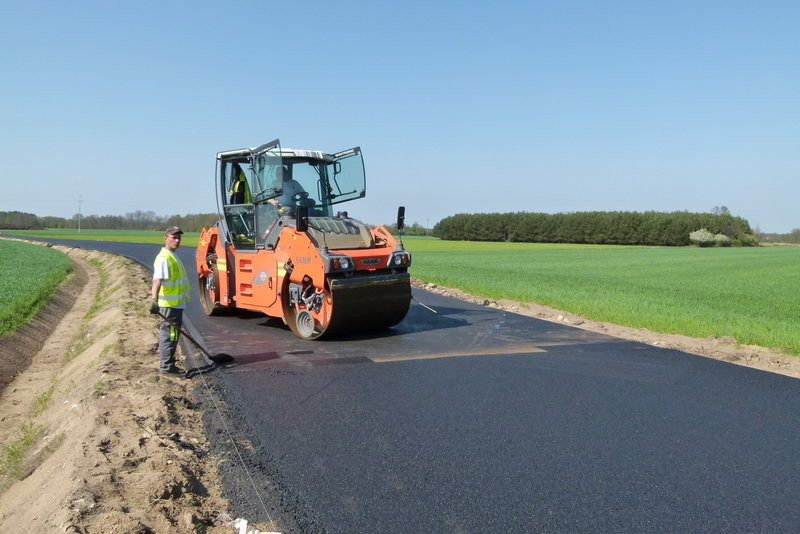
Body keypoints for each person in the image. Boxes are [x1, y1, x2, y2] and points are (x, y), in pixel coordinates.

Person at [149, 226, 191, 375]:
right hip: (169, 305)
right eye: (174, 237)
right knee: (169, 336)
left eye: (179, 237)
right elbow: (157, 281)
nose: (177, 240)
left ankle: (169, 364)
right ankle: (166, 367)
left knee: (173, 335)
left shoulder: (172, 255)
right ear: (165, 238)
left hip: (176, 305)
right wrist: (154, 300)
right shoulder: (164, 258)